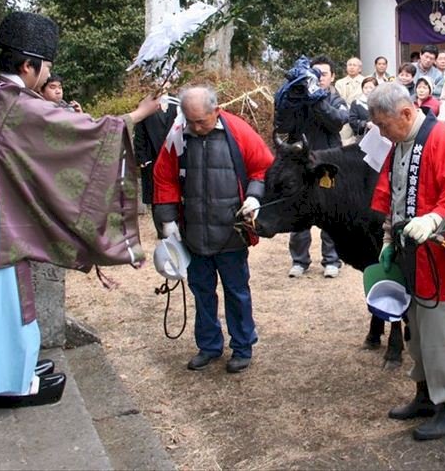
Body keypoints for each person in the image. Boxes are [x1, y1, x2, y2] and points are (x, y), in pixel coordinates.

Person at [0, 11, 158, 430]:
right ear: (27, 65)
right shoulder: (11, 103)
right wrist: (137, 114)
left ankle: (8, 374)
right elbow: (83, 133)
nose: (47, 77)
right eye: (46, 68)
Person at [368, 83, 445, 441]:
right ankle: (426, 395)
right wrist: (388, 239)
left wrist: (433, 219)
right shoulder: (400, 143)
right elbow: (393, 194)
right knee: (416, 330)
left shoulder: (443, 139)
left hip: (438, 255)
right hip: (409, 253)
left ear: (405, 113)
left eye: (384, 125)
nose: (382, 133)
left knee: (436, 336)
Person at [153, 85, 274, 373]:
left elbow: (264, 168)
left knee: (237, 291)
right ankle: (208, 345)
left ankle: (242, 346)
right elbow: (164, 178)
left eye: (201, 121)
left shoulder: (239, 131)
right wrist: (168, 222)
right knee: (201, 291)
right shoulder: (178, 135)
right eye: (190, 121)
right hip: (193, 232)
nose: (196, 127)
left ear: (216, 111)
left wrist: (255, 196)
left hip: (231, 232)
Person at [273, 55, 348, 278]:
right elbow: (283, 126)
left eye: (323, 74)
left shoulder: (335, 99)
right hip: (301, 163)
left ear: (333, 77)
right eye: (314, 74)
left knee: (330, 212)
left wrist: (317, 100)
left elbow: (337, 121)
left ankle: (332, 259)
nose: (319, 78)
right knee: (299, 211)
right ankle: (299, 260)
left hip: (329, 161)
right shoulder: (299, 99)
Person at [134, 92, 180, 227]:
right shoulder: (146, 104)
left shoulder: (177, 103)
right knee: (156, 194)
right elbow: (139, 134)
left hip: (174, 156)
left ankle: (178, 225)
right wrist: (142, 159)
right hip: (152, 157)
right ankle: (160, 228)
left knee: (176, 190)